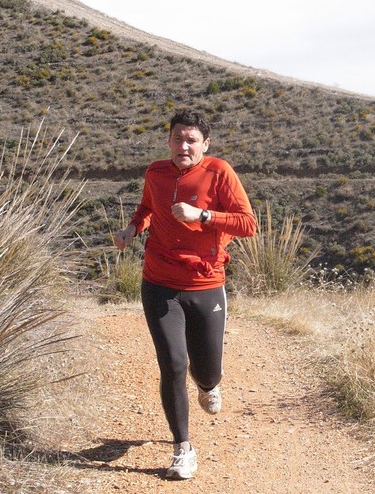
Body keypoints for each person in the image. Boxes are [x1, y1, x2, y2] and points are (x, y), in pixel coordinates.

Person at [113, 109, 257, 480]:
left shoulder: (219, 172)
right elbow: (148, 208)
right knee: (173, 363)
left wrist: (202, 216)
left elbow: (248, 224)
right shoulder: (156, 172)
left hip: (206, 284)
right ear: (169, 141)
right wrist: (132, 229)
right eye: (177, 138)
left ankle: (208, 384)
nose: (184, 146)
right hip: (159, 282)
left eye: (192, 140)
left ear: (205, 144)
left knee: (206, 370)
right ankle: (183, 448)